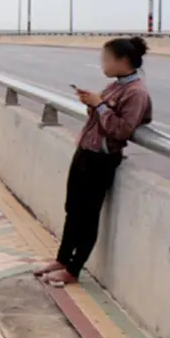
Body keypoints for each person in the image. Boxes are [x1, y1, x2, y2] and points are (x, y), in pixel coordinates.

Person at [35, 37, 152, 288]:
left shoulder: (136, 93)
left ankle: (73, 270)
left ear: (123, 61)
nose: (102, 64)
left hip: (102, 159)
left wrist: (99, 104)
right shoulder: (115, 86)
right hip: (86, 152)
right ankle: (62, 260)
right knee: (73, 209)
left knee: (88, 215)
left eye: (106, 59)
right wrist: (92, 103)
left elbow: (121, 130)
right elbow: (101, 116)